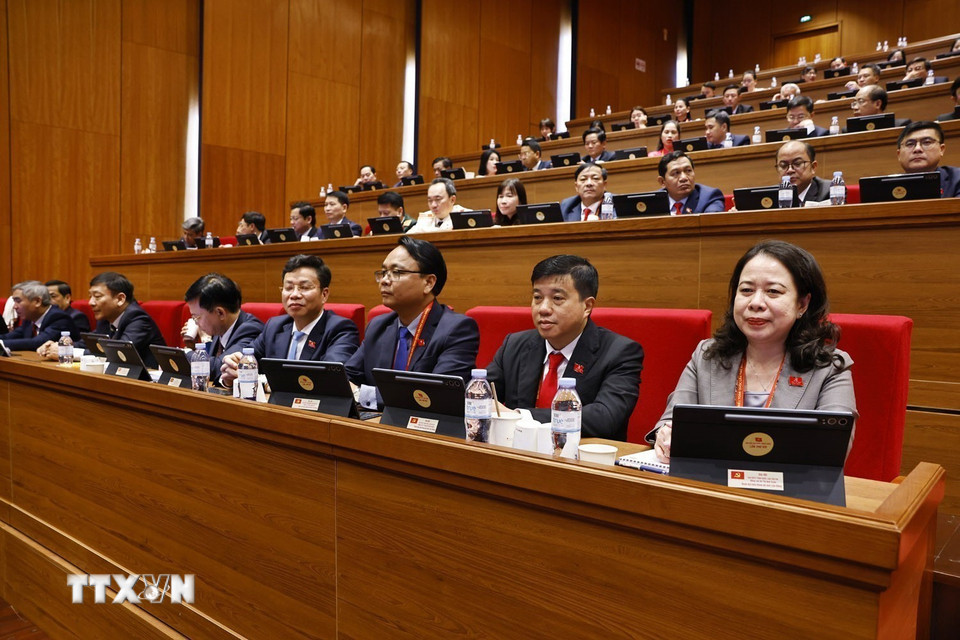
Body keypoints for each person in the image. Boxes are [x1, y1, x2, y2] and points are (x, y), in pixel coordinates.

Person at [647, 240, 857, 462]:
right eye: (746, 290)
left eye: (773, 291)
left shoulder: (830, 367)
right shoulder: (707, 355)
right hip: (710, 480)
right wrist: (666, 435)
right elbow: (671, 420)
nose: (756, 303)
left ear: (802, 304)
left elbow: (832, 448)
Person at [486, 255, 644, 441]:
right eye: (537, 297)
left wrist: (521, 417)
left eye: (557, 298)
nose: (543, 308)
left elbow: (605, 417)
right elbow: (480, 394)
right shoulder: (514, 345)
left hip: (583, 455)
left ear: (587, 306)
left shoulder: (620, 352)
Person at [345, 236, 480, 410]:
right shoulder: (378, 326)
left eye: (396, 272)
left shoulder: (457, 329)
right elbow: (345, 379)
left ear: (428, 283)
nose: (385, 280)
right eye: (383, 272)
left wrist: (363, 395)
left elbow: (436, 396)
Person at [220, 255, 360, 386]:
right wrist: (232, 372)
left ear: (324, 294)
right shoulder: (274, 326)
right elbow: (246, 361)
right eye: (288, 288)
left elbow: (330, 381)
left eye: (304, 287)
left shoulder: (340, 329)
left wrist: (264, 383)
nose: (294, 295)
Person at [38, 272, 164, 366]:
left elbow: (118, 353)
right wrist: (60, 346)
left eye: (97, 296)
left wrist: (69, 352)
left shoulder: (137, 318)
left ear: (120, 299)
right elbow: (90, 344)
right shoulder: (106, 317)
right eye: (90, 296)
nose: (91, 303)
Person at [181, 273, 264, 386]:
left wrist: (184, 354)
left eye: (197, 317)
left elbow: (219, 368)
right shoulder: (219, 327)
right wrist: (194, 347)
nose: (196, 322)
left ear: (220, 313)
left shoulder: (251, 330)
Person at [0, 281, 73, 355]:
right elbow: (10, 336)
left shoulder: (58, 317)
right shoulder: (30, 317)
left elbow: (38, 342)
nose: (14, 307)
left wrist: (2, 343)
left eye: (18, 301)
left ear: (37, 302)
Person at [895, 121, 960, 198]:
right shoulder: (887, 185)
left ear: (941, 149)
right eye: (910, 144)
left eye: (927, 142)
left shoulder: (957, 178)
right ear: (899, 154)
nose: (917, 149)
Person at [656, 151, 724, 214]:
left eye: (688, 171)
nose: (684, 178)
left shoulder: (709, 197)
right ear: (662, 182)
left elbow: (711, 221)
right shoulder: (654, 201)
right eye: (676, 173)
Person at [775, 141, 832, 205]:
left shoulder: (830, 192)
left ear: (813, 167)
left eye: (797, 163)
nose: (790, 170)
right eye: (783, 165)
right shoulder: (772, 195)